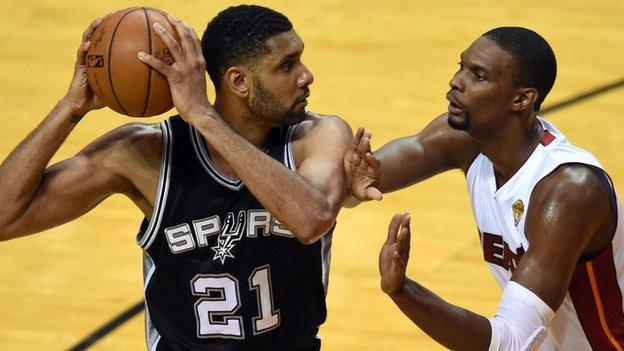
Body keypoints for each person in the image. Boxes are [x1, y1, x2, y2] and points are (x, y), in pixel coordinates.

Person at [0, 5, 351, 350]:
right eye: (287, 66)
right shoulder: (144, 154)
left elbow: (311, 218)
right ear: (239, 82)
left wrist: (203, 116)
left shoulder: (316, 137)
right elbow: (5, 218)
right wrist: (69, 108)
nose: (306, 76)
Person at [346, 27, 624, 350]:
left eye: (478, 75)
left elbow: (511, 342)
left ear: (521, 99)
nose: (456, 81)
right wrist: (351, 186)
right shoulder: (464, 139)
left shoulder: (570, 192)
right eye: (460, 66)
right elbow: (363, 180)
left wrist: (403, 291)